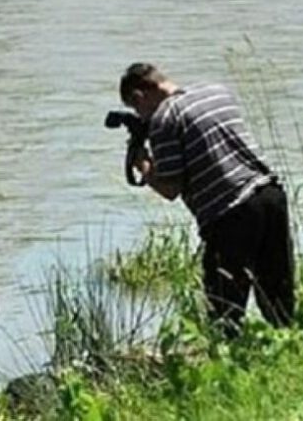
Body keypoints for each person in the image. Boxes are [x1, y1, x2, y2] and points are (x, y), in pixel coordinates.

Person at [118, 63, 294, 337]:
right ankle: (290, 348)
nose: (141, 116)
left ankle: (229, 366)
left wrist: (143, 166)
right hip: (270, 195)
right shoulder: (216, 91)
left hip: (230, 212)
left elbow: (170, 188)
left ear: (139, 97)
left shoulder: (164, 119)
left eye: (136, 109)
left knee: (224, 308)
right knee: (278, 294)